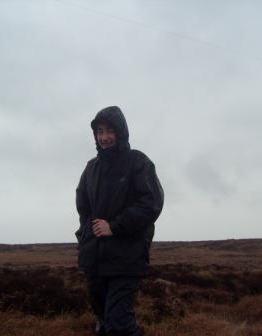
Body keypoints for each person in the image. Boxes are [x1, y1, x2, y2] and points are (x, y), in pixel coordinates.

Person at [75, 106, 164, 336]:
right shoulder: (91, 168)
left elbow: (151, 204)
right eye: (99, 131)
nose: (104, 137)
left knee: (119, 324)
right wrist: (85, 236)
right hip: (95, 259)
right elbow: (83, 208)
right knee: (103, 323)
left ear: (121, 132)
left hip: (126, 259)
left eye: (109, 131)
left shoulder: (137, 162)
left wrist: (114, 227)